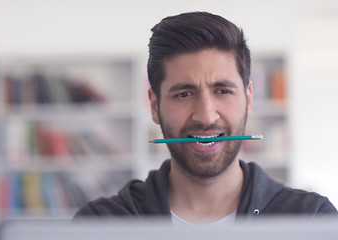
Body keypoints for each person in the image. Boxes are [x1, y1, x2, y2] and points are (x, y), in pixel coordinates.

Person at [74, 11, 337, 224]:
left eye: (223, 91)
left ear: (248, 99)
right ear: (155, 106)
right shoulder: (102, 224)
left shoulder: (312, 219)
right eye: (184, 93)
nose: (206, 115)